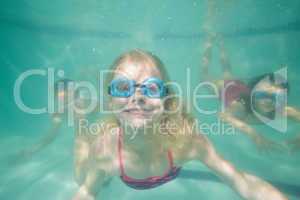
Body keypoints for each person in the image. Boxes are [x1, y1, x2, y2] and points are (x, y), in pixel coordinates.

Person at [72, 49, 287, 200]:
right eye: (122, 87)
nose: (137, 96)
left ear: (166, 101)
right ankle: (81, 124)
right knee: (81, 176)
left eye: (152, 88)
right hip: (105, 156)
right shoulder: (105, 150)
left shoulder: (186, 141)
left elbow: (240, 180)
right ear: (110, 100)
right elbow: (88, 192)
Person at [200, 34, 300, 152]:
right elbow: (222, 116)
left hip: (239, 86)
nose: (269, 101)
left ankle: (221, 46)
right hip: (225, 89)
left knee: (227, 72)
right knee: (204, 77)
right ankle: (209, 43)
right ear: (253, 94)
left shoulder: (279, 110)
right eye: (263, 95)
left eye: (277, 97)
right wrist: (252, 133)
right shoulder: (240, 107)